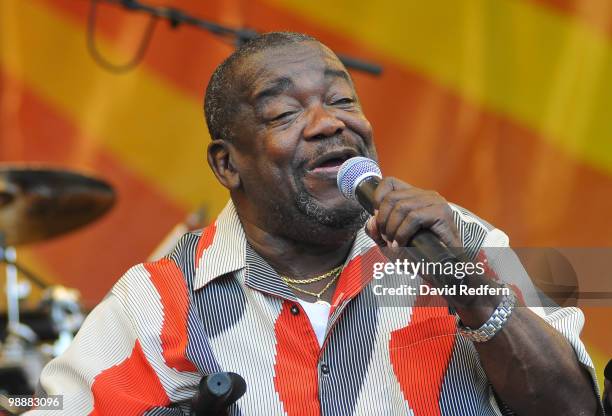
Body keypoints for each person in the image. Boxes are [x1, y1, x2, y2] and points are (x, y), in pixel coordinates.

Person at [29, 32, 601, 415]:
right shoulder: (158, 300)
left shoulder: (462, 241)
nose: (329, 124)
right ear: (227, 164)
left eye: (343, 101)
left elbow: (576, 408)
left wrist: (466, 286)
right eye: (284, 113)